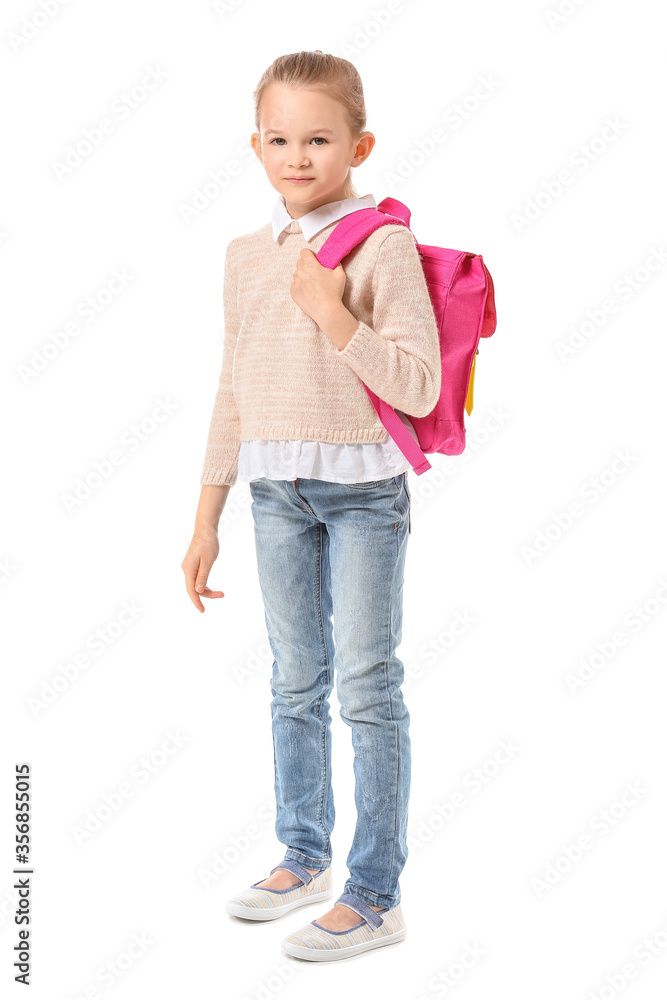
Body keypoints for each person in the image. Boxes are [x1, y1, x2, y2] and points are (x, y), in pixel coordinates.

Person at [181, 49, 441, 962]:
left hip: (365, 493)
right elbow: (233, 388)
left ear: (358, 144)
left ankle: (374, 894)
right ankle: (304, 853)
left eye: (319, 138)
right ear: (255, 147)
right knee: (295, 681)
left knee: (367, 687)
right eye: (281, 139)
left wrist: (335, 315)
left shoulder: (383, 244)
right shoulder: (246, 256)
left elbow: (415, 385)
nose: (299, 156)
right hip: (271, 493)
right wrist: (205, 517)